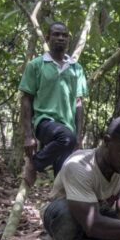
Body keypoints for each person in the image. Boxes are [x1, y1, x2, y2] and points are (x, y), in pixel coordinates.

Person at [19, 22, 88, 186]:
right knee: (65, 138)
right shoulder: (36, 65)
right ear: (48, 38)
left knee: (63, 182)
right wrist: (28, 136)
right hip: (45, 122)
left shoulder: (76, 68)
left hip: (68, 129)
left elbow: (78, 103)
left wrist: (78, 137)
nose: (60, 38)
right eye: (56, 34)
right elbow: (26, 99)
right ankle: (33, 165)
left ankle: (54, 210)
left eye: (64, 35)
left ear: (68, 40)